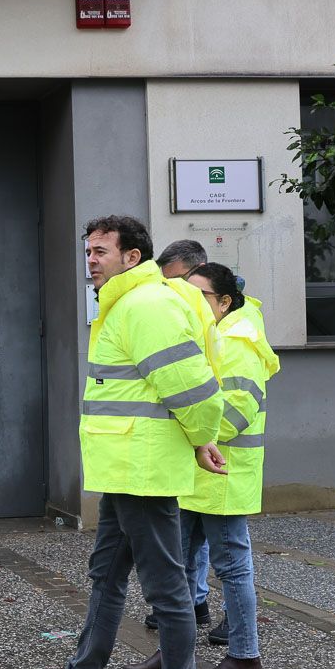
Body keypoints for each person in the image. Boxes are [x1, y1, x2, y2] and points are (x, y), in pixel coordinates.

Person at [17, 215, 226, 669]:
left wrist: (203, 437)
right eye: (88, 251)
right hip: (125, 468)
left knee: (167, 590)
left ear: (133, 257)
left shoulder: (145, 305)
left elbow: (190, 384)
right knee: (106, 575)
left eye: (101, 251)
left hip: (143, 470)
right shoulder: (124, 302)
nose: (90, 260)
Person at [124, 262, 278, 669]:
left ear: (224, 302)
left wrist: (191, 433)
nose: (189, 302)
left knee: (232, 569)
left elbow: (237, 411)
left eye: (199, 296)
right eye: (183, 294)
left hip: (223, 474)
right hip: (196, 473)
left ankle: (244, 658)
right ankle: (174, 653)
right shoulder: (211, 333)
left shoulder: (241, 340)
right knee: (180, 567)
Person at [144, 238, 210, 627]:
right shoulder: (186, 311)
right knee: (190, 539)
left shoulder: (222, 318)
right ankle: (193, 603)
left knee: (216, 549)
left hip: (212, 451)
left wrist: (202, 438)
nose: (171, 290)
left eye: (176, 281)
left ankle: (187, 610)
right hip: (197, 449)